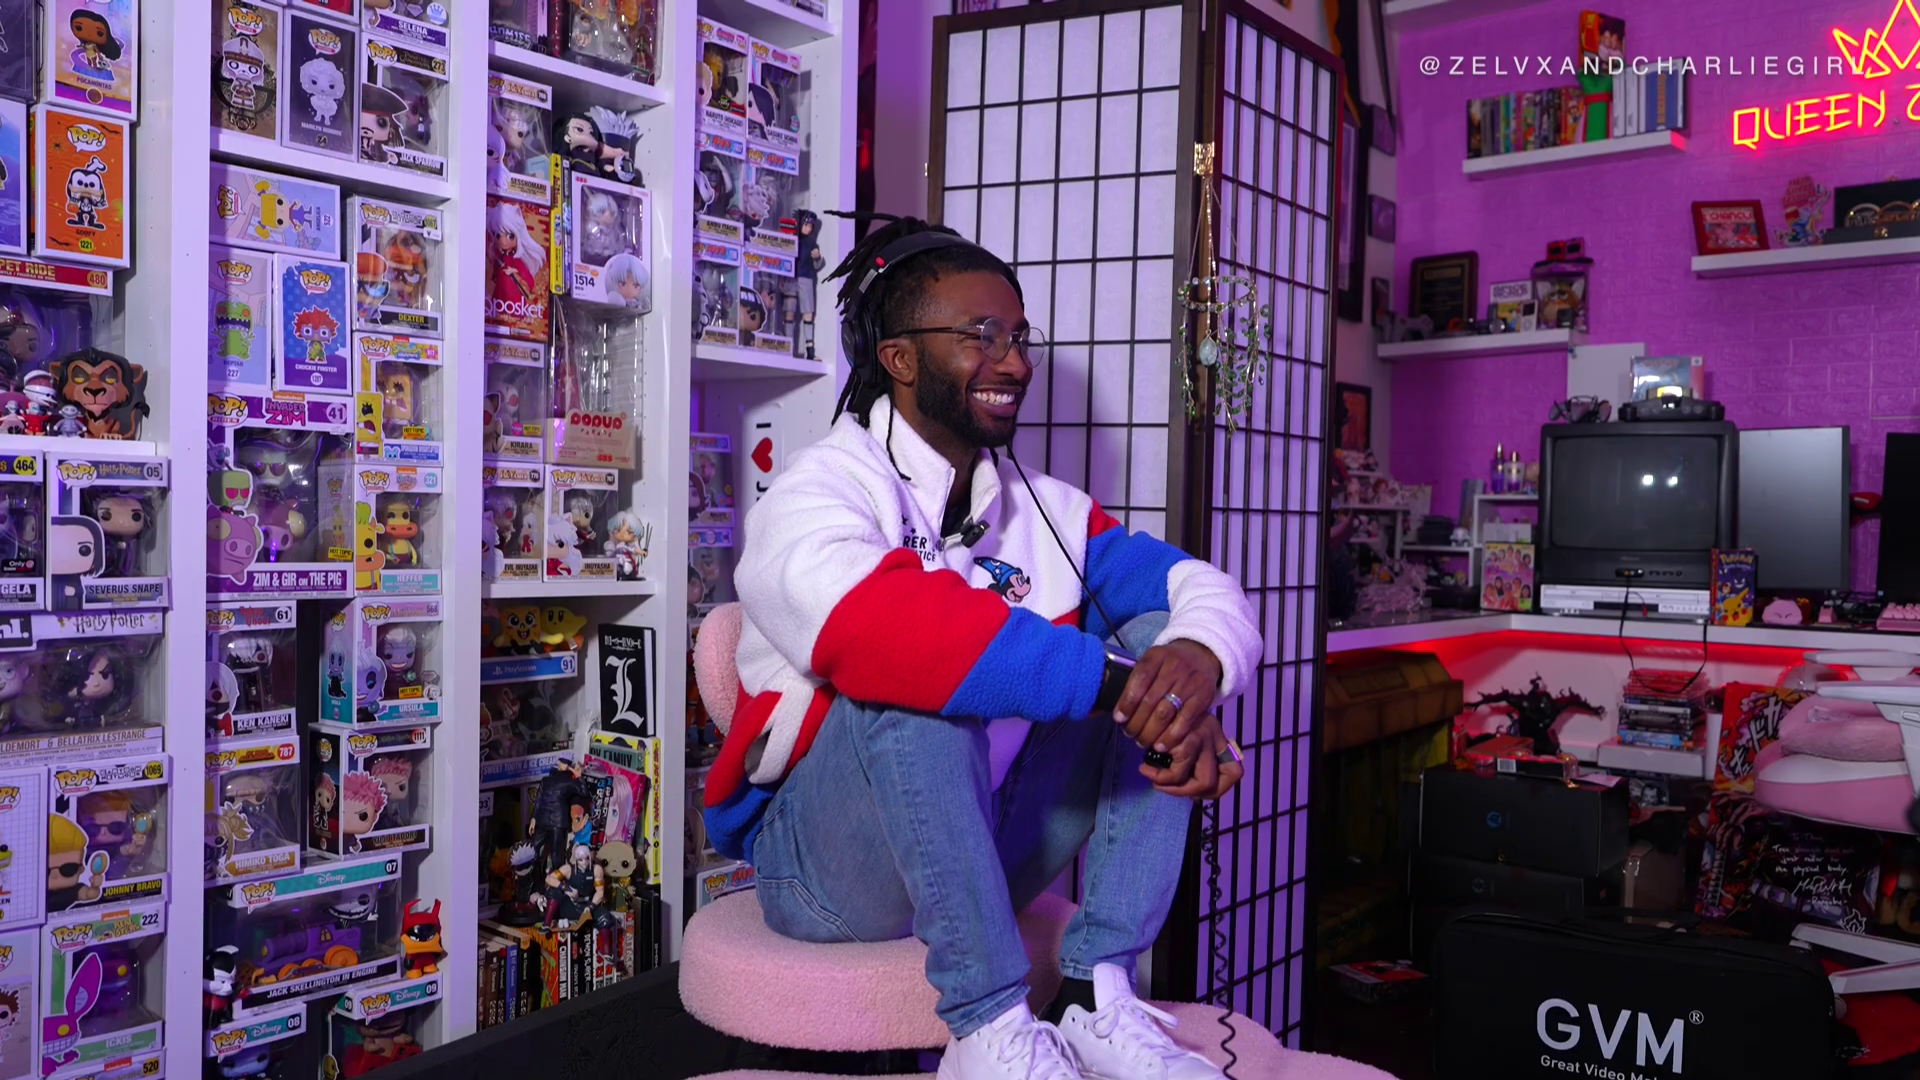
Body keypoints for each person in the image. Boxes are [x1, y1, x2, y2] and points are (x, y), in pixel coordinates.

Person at [704, 215, 1260, 1079]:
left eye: (1020, 337)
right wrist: (1122, 690)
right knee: (916, 678)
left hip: (983, 842)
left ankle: (1094, 992)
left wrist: (1195, 672)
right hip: (826, 875)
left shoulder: (1049, 511)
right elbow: (888, 632)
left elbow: (1199, 588)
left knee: (1160, 641)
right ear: (899, 357)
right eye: (983, 335)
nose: (1015, 362)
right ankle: (988, 1029)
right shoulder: (816, 494)